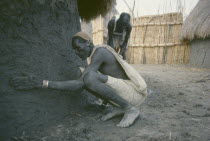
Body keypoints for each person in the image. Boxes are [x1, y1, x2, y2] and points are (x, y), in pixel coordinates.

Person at [12, 32, 148, 128]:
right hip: (124, 92)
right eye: (74, 50)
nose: (77, 52)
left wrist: (43, 83)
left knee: (88, 78)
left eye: (78, 47)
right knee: (84, 75)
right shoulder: (94, 56)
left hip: (133, 94)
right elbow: (80, 83)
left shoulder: (100, 52)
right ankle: (119, 107)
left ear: (88, 43)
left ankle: (129, 109)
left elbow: (78, 86)